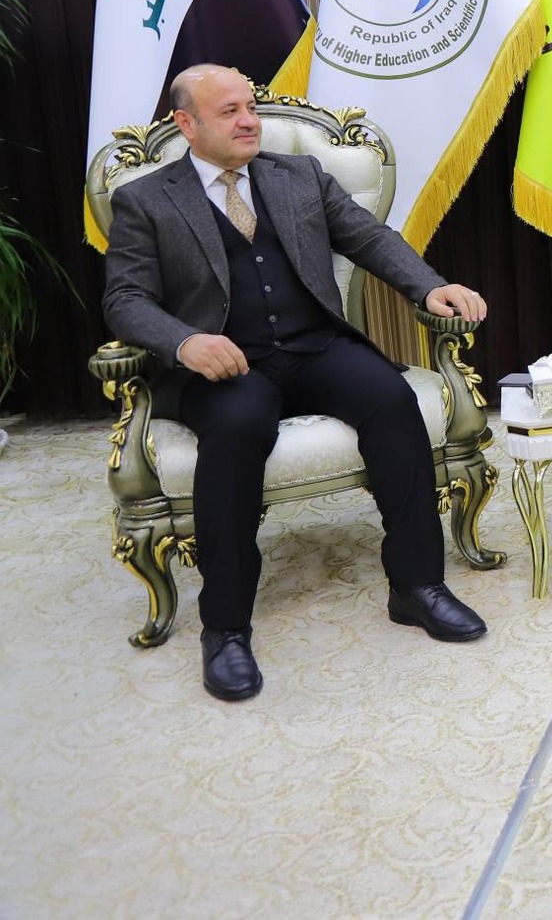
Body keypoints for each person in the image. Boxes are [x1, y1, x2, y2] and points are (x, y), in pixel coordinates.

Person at [101, 65, 492, 703]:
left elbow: (370, 238)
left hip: (316, 348)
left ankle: (417, 586)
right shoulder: (146, 200)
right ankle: (226, 627)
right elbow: (124, 299)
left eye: (250, 108)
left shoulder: (299, 175)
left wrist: (429, 286)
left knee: (392, 400)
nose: (248, 121)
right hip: (226, 366)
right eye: (229, 112)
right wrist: (185, 342)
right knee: (238, 425)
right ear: (187, 124)